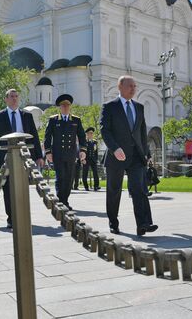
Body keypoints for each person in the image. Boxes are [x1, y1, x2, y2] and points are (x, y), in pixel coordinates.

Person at [100, 75, 157, 236]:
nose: (133, 88)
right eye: (130, 86)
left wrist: (147, 153)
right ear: (120, 87)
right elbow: (105, 130)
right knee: (114, 190)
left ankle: (143, 224)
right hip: (116, 156)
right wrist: (114, 148)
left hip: (136, 157)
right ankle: (113, 222)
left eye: (135, 86)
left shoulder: (139, 107)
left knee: (139, 189)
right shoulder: (110, 107)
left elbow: (142, 132)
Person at [0, 89, 43, 229]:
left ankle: (23, 215)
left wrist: (38, 156)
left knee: (23, 187)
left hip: (24, 157)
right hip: (4, 158)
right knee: (8, 188)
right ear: (5, 99)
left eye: (16, 96)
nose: (14, 99)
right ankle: (11, 218)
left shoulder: (27, 116)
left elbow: (34, 136)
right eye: (11, 96)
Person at [44, 94, 86, 211]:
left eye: (67, 105)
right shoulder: (53, 120)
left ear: (70, 106)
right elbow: (47, 137)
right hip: (58, 154)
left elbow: (82, 137)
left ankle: (65, 200)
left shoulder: (76, 120)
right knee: (60, 177)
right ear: (60, 107)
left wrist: (82, 150)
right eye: (63, 105)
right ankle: (61, 201)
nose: (66, 107)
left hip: (71, 154)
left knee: (69, 178)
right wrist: (48, 152)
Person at [82, 127, 100, 191]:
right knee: (85, 173)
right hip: (86, 160)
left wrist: (96, 159)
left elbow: (96, 152)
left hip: (93, 160)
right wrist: (82, 159)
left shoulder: (95, 142)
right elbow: (81, 151)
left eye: (92, 133)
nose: (91, 134)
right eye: (90, 133)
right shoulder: (84, 142)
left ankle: (96, 186)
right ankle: (86, 186)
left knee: (95, 173)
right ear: (87, 134)